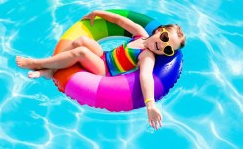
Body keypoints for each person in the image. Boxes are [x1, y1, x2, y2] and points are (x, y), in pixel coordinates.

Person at [16, 10, 186, 130]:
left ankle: (37, 63)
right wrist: (98, 13)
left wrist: (150, 104)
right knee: (80, 40)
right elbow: (121, 21)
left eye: (168, 49)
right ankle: (51, 72)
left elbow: (146, 77)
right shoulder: (140, 34)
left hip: (104, 70)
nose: (163, 46)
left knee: (81, 52)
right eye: (164, 38)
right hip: (103, 56)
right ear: (158, 30)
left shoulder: (147, 56)